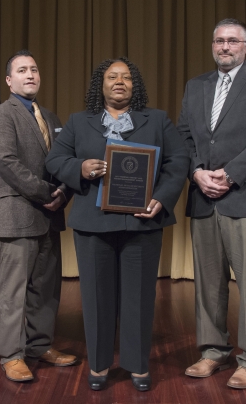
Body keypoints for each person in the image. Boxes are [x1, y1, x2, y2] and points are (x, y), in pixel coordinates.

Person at [46, 57, 189, 392]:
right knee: (96, 297)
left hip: (142, 223)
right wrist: (79, 168)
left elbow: (178, 160)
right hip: (93, 225)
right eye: (113, 77)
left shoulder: (157, 120)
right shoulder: (78, 122)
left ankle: (138, 365)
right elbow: (55, 159)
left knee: (139, 297)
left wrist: (163, 198)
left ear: (134, 85)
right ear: (102, 84)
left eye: (126, 77)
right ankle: (98, 365)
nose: (120, 82)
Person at [176, 18, 246, 389]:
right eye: (219, 41)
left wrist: (230, 173)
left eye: (232, 41)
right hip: (204, 197)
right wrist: (197, 174)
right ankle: (212, 352)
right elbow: (184, 136)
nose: (225, 47)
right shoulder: (196, 86)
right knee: (208, 283)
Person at [0, 50, 77, 382]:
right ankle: (11, 354)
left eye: (34, 69)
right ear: (9, 80)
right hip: (18, 212)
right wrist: (46, 193)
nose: (30, 75)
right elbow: (7, 162)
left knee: (46, 288)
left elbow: (66, 159)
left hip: (50, 215)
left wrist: (64, 191)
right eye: (22, 70)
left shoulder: (50, 116)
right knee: (14, 290)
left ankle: (40, 346)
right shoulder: (0, 114)